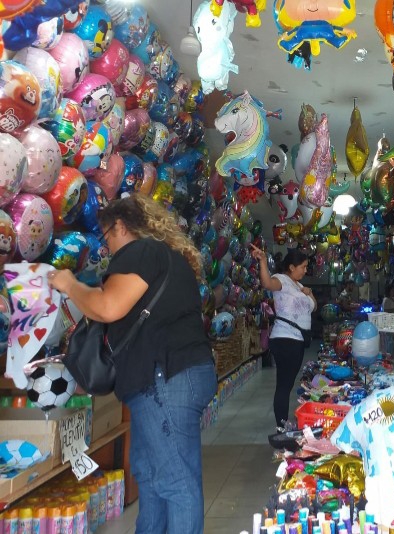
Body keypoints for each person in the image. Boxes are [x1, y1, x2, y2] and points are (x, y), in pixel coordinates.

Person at [48, 195, 217, 534]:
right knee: (151, 475)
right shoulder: (168, 258)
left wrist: (70, 285)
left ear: (121, 226)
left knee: (174, 481)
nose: (106, 247)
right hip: (169, 377)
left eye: (106, 236)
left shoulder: (141, 252)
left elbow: (108, 307)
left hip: (165, 377)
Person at [252, 246, 316, 427]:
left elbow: (313, 307)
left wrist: (309, 293)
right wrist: (263, 262)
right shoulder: (281, 280)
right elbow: (267, 283)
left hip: (298, 340)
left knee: (287, 383)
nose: (305, 270)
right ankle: (281, 425)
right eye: (303, 267)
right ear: (291, 267)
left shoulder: (300, 285)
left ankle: (283, 423)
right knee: (284, 384)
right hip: (286, 339)